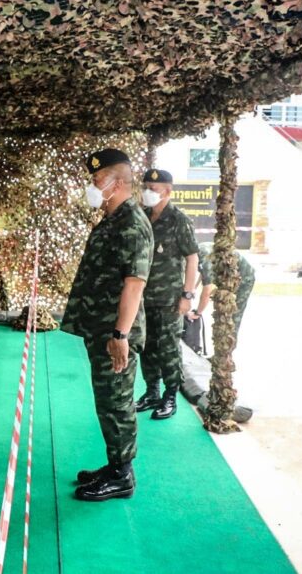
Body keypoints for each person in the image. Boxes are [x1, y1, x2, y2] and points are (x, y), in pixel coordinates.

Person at [61, 148, 153, 502]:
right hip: (101, 327)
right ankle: (115, 465)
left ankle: (122, 475)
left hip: (115, 331)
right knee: (107, 400)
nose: (93, 185)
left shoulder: (132, 224)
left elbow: (135, 284)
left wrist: (120, 335)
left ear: (116, 183)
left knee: (117, 401)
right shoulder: (113, 219)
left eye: (98, 179)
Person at [133, 169, 199, 420]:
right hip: (143, 297)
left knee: (168, 348)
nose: (147, 192)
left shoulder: (178, 220)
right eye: (145, 187)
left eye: (153, 188)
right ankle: (152, 392)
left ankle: (170, 396)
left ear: (168, 191)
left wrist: (187, 295)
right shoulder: (143, 216)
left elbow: (192, 259)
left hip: (169, 299)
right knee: (147, 345)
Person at [190, 242, 256, 336]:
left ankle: (228, 342)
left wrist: (197, 313)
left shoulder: (204, 259)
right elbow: (204, 273)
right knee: (222, 314)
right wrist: (193, 288)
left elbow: (207, 291)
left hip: (244, 278)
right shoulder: (199, 249)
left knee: (232, 318)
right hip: (228, 277)